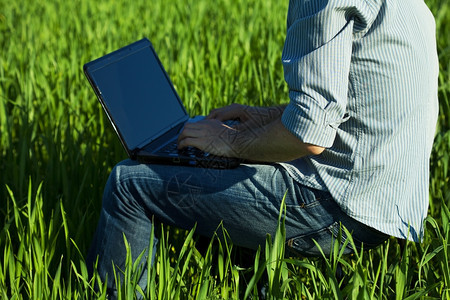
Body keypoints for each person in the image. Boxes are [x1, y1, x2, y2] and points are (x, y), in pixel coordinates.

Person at [86, 0, 439, 296]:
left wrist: (230, 142)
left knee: (128, 184)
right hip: (393, 202)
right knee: (214, 163)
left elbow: (310, 136)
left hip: (340, 205)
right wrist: (262, 117)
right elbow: (350, 104)